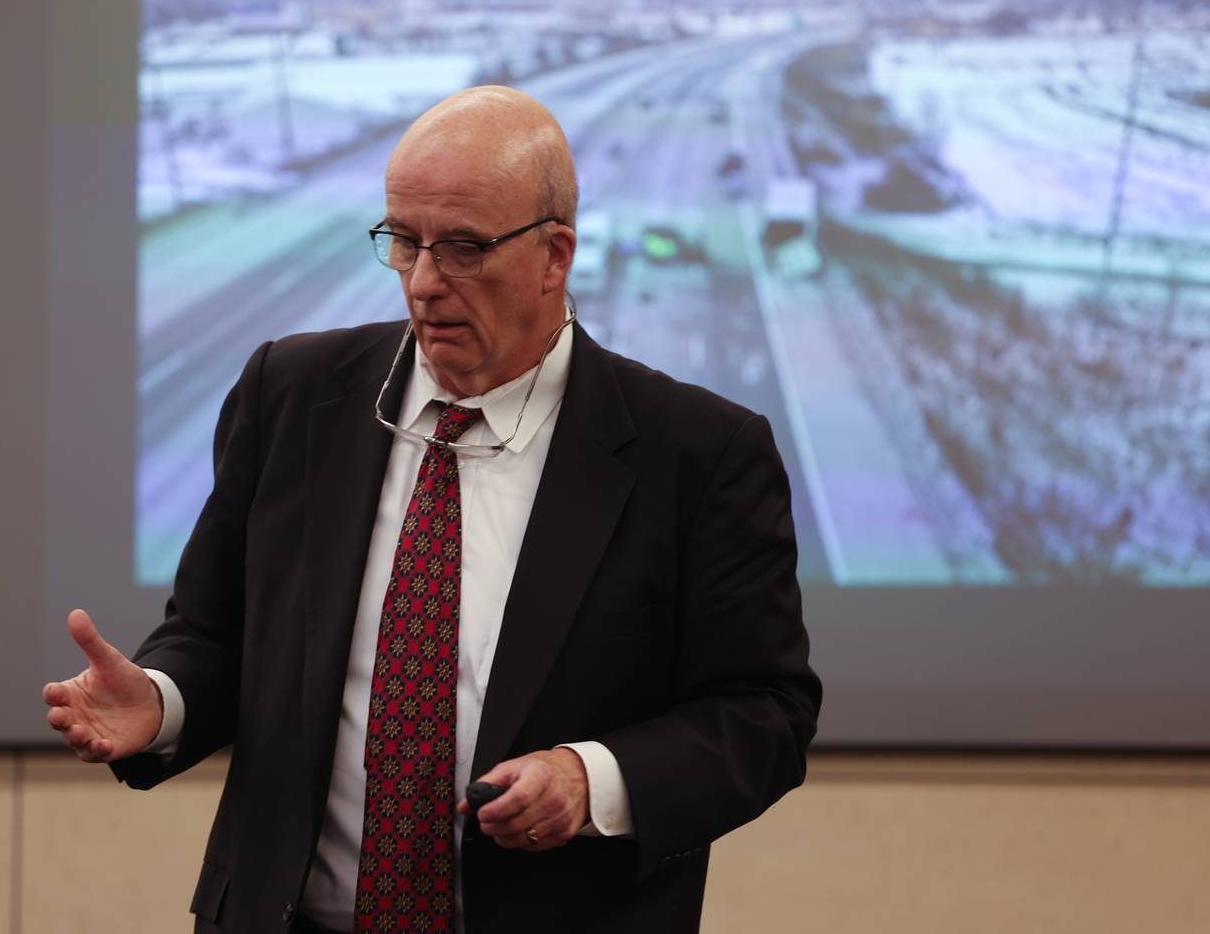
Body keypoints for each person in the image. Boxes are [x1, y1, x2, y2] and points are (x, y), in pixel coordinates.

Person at [42, 86, 820, 934]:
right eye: (402, 242)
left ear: (554, 254)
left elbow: (761, 714)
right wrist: (162, 701)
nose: (422, 283)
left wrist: (590, 779)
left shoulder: (696, 452)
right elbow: (220, 635)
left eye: (461, 249)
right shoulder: (292, 394)